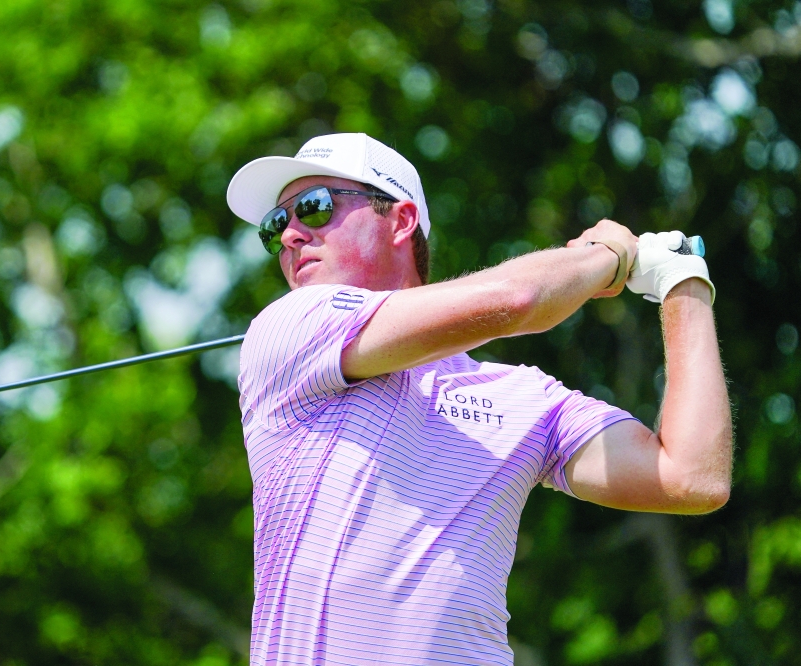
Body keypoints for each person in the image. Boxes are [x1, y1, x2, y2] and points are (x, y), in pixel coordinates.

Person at [225, 132, 732, 665]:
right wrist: (605, 255)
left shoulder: (522, 397)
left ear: (400, 220)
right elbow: (515, 300)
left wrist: (683, 281)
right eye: (276, 224)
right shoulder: (290, 326)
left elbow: (692, 477)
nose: (290, 236)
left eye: (314, 207)